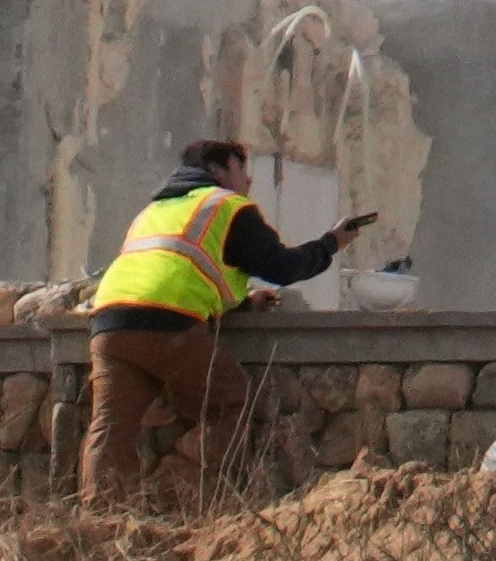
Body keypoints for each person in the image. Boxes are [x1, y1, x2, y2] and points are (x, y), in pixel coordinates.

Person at [78, 134, 350, 509]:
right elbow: (282, 267)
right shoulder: (227, 207)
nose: (249, 182)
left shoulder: (153, 211)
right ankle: (177, 497)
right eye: (241, 169)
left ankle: (98, 520)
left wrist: (239, 303)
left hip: (109, 322)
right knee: (229, 401)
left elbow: (180, 267)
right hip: (167, 322)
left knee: (111, 427)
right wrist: (331, 243)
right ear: (217, 170)